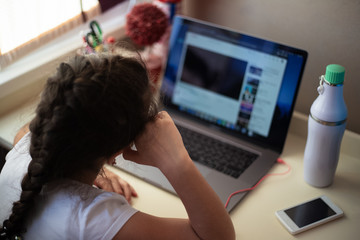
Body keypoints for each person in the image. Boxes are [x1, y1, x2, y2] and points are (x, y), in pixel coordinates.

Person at [0, 52, 235, 239]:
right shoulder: (93, 219)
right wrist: (177, 161)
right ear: (116, 151)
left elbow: (27, 131)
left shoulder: (22, 155)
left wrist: (84, 164)